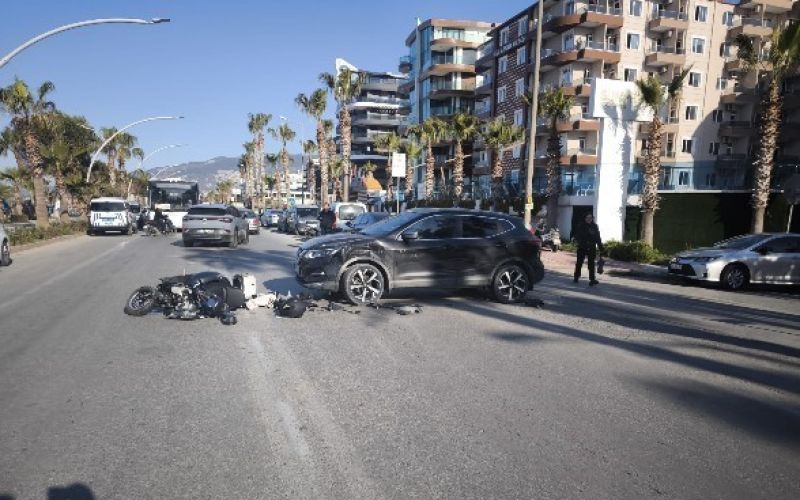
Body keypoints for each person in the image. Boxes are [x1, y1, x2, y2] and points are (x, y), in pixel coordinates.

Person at [573, 213, 604, 286]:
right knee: (579, 263)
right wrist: (580, 241)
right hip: (582, 247)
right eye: (587, 218)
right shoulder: (581, 225)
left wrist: (600, 247)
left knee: (591, 264)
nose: (589, 219)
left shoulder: (595, 226)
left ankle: (592, 279)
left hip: (591, 247)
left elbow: (597, 237)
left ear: (592, 219)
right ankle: (576, 276)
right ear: (585, 218)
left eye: (590, 218)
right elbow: (578, 235)